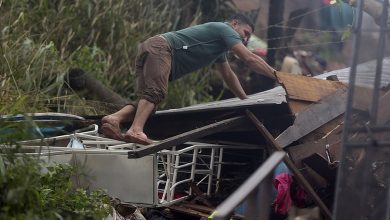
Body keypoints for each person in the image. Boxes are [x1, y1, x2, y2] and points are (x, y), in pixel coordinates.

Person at [101, 14, 276, 145]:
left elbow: (229, 76)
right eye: (245, 33)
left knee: (147, 103)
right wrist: (276, 75)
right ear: (235, 23)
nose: (244, 39)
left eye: (247, 38)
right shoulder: (225, 29)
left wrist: (245, 100)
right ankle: (136, 130)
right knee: (155, 93)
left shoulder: (219, 49)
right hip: (163, 48)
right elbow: (249, 58)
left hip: (152, 48)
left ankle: (113, 119)